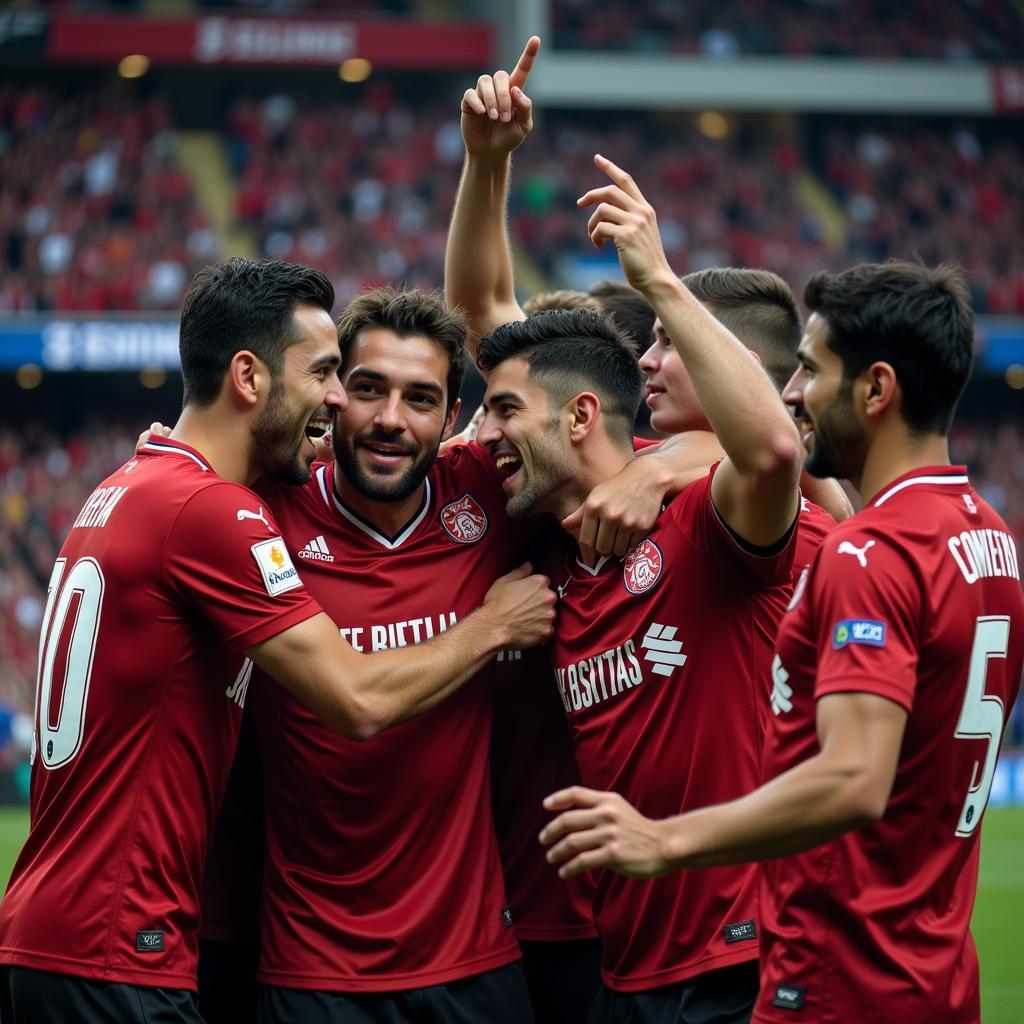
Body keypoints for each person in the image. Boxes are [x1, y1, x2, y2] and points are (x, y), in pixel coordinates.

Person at [0, 258, 556, 1024]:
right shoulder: (213, 512)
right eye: (331, 376)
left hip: (65, 931)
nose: (336, 398)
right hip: (118, 945)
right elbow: (355, 698)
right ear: (250, 378)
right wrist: (493, 626)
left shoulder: (131, 485)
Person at [541, 260, 1024, 1024]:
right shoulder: (984, 535)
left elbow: (853, 780)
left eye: (807, 372)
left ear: (875, 390)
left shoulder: (868, 556)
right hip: (934, 965)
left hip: (839, 969)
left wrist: (665, 841)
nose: (791, 395)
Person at [474, 152, 804, 1020]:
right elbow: (489, 319)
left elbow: (772, 451)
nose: (484, 435)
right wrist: (488, 162)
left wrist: (657, 278)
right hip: (621, 966)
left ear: (580, 416)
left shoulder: (704, 513)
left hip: (737, 960)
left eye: (503, 413)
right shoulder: (549, 551)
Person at [246, 286, 546, 1023]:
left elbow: (649, 453)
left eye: (420, 399)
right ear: (333, 394)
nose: (389, 419)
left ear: (451, 420)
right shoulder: (258, 513)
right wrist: (489, 627)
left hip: (474, 962)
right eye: (369, 388)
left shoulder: (486, 491)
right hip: (312, 968)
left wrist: (652, 472)